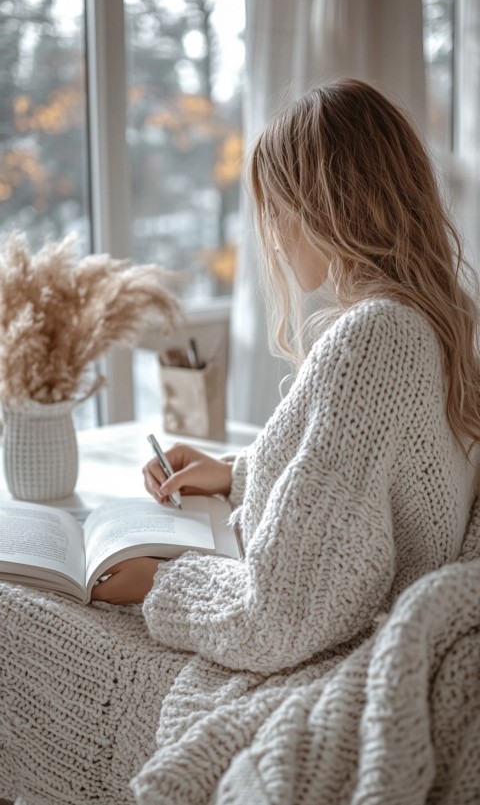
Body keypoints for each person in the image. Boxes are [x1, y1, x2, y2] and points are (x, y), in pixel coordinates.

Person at [1, 78, 479, 805]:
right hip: (364, 590)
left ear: (322, 208)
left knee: (26, 616)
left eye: (280, 210)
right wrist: (236, 472)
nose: (277, 236)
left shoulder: (369, 340)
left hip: (340, 631)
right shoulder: (437, 321)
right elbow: (382, 478)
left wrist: (160, 584)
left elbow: (282, 616)